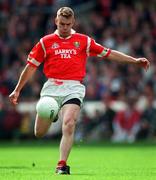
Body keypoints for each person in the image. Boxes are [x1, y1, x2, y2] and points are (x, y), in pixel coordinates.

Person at [9, 7, 150, 175]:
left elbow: (108, 53)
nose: (64, 27)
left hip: (74, 88)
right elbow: (30, 67)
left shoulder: (84, 41)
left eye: (68, 24)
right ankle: (53, 113)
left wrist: (134, 61)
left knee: (69, 123)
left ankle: (61, 165)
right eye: (61, 24)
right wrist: (17, 90)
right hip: (52, 88)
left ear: (73, 23)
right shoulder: (45, 42)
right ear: (56, 22)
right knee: (39, 133)